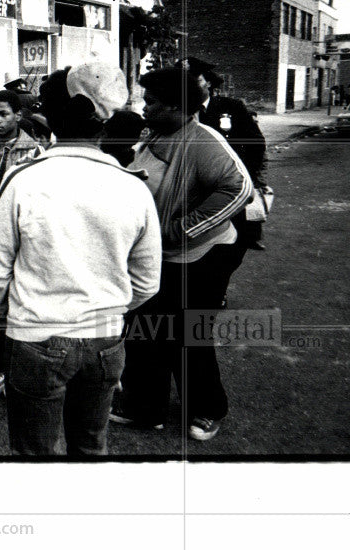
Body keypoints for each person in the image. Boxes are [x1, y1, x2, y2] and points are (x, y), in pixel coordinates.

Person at [0, 64, 161, 456]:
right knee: (91, 445)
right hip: (106, 340)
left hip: (35, 336)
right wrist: (107, 308)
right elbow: (147, 283)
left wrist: (12, 308)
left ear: (52, 118)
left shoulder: (23, 179)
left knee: (35, 451)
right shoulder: (134, 188)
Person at [113, 67, 253, 443]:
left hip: (200, 257)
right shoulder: (158, 133)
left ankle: (207, 409)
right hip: (157, 255)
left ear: (178, 106)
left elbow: (239, 190)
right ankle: (145, 408)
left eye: (153, 102)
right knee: (145, 332)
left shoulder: (203, 141)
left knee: (189, 336)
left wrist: (182, 228)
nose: (145, 107)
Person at [0, 89, 45, 399]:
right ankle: (7, 368)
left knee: (21, 306)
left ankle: (22, 372)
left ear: (18, 115)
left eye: (3, 114)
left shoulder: (34, 151)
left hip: (21, 238)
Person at [180, 58, 268, 251]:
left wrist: (246, 175)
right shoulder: (178, 111)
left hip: (229, 181)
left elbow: (256, 143)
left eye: (194, 79)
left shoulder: (231, 107)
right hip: (192, 185)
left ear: (208, 83)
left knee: (233, 241)